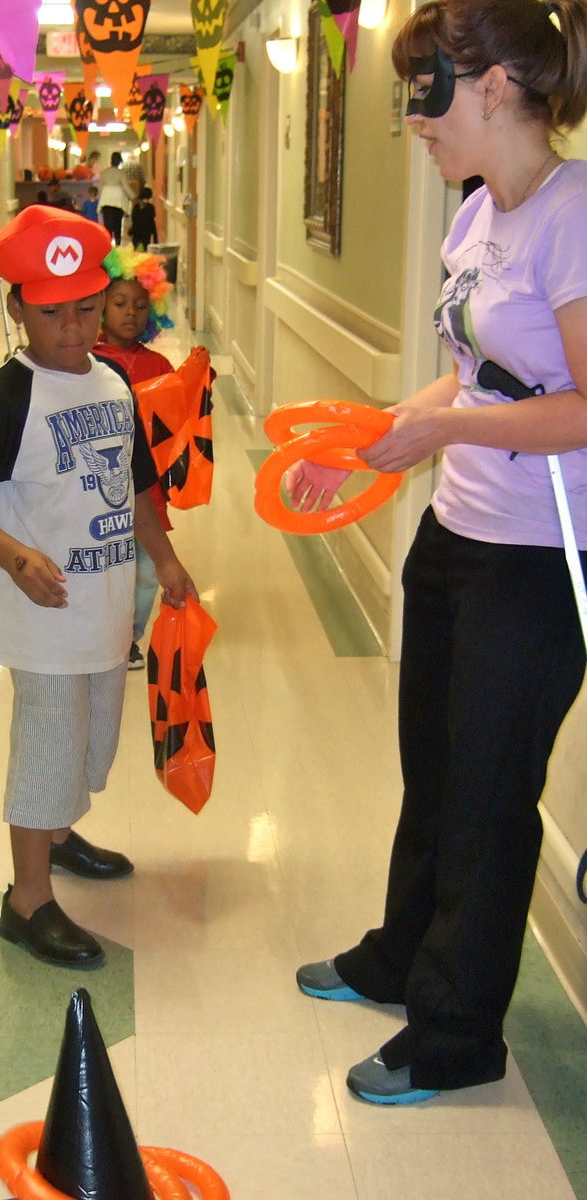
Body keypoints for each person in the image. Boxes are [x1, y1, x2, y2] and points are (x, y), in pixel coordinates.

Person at [292, 0, 587, 1106]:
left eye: (427, 96)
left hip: (538, 556)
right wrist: (375, 447)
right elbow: (466, 377)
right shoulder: (475, 218)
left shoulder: (574, 217)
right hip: (455, 535)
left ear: (498, 85)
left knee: (489, 796)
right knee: (433, 770)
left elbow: (582, 411)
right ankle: (400, 957)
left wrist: (443, 431)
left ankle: (459, 1031)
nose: (415, 124)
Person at [0, 206, 197, 969]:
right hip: (41, 614)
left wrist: (168, 562)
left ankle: (57, 830)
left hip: (106, 608)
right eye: (54, 314)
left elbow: (139, 482)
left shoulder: (113, 382)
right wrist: (16, 556)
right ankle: (28, 900)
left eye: (87, 309)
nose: (75, 329)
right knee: (50, 745)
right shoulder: (7, 398)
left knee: (92, 738)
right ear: (18, 310)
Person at [93, 245, 177, 669]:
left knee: (146, 573)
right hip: (101, 488)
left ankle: (128, 638)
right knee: (108, 568)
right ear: (99, 307)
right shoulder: (88, 364)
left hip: (149, 489)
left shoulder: (159, 363)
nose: (131, 313)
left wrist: (201, 383)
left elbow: (180, 415)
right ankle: (102, 633)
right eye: (120, 303)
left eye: (141, 305)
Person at [98, 152, 136, 245]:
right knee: (117, 225)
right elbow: (126, 187)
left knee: (107, 226)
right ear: (119, 161)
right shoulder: (121, 173)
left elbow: (100, 188)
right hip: (118, 201)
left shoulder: (104, 172)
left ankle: (107, 244)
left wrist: (101, 196)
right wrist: (134, 197)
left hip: (106, 200)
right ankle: (118, 244)